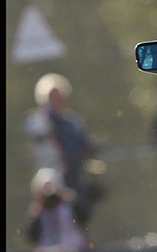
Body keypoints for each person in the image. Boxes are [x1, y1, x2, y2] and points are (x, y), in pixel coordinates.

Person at [24, 73, 104, 227]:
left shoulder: (73, 121)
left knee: (79, 212)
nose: (56, 101)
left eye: (59, 96)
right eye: (52, 97)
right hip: (51, 178)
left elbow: (84, 143)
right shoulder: (37, 122)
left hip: (73, 176)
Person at [25, 167, 88, 252]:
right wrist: (34, 212)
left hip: (75, 250)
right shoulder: (38, 211)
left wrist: (71, 199)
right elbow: (30, 236)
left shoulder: (69, 206)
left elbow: (85, 217)